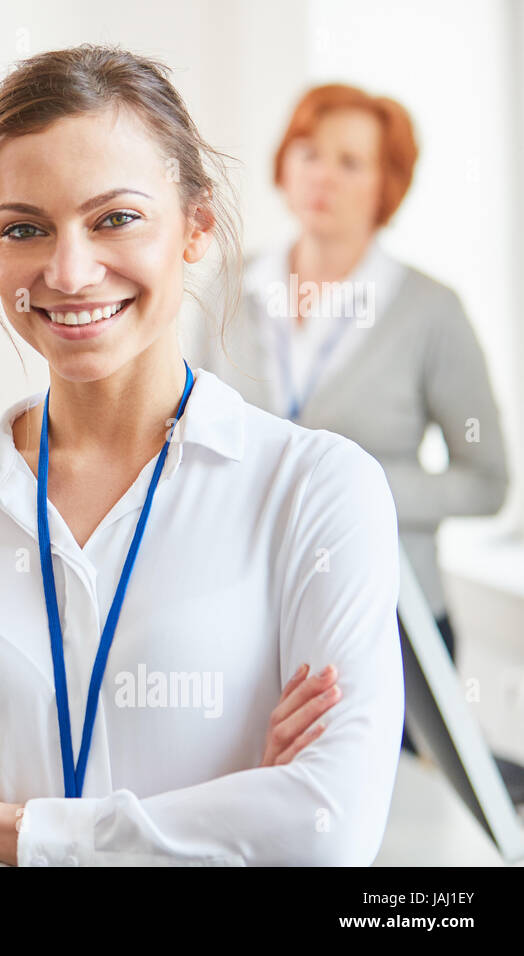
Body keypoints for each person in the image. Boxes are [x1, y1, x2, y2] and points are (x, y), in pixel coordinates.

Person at [0, 44, 401, 866]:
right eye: (25, 229)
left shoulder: (317, 491)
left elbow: (323, 832)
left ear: (196, 225)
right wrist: (223, 830)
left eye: (115, 218)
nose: (70, 270)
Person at [191, 84, 511, 759]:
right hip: (251, 608)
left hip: (394, 617)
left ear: (386, 185)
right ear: (283, 165)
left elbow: (486, 481)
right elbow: (189, 430)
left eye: (350, 161)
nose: (322, 175)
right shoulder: (229, 288)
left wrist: (350, 484)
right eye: (308, 152)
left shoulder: (430, 310)